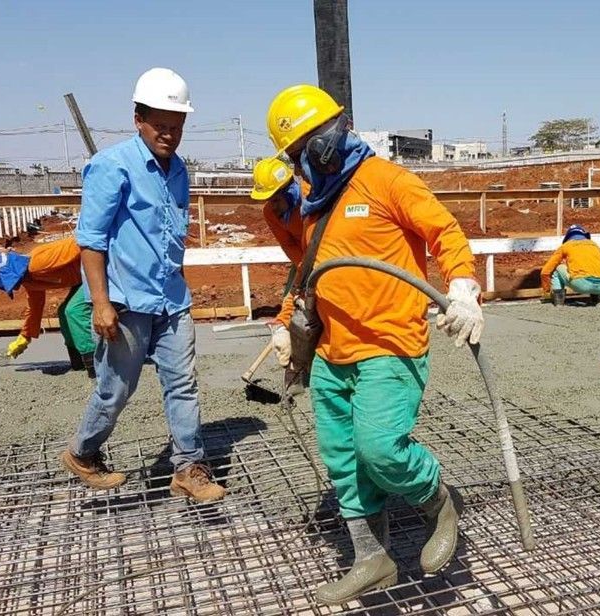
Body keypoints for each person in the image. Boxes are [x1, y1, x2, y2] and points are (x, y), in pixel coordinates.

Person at [266, 84, 484, 604]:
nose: (301, 164)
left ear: (323, 139)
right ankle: (372, 558)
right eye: (294, 157)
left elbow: (445, 232)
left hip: (390, 345)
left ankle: (439, 502)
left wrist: (462, 286)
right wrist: (283, 322)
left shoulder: (386, 180)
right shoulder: (315, 201)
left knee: (381, 449)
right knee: (344, 459)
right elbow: (309, 271)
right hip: (331, 353)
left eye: (301, 151)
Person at [60, 67, 225, 503]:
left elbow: (171, 235)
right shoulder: (111, 166)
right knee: (116, 389)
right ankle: (82, 452)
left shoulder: (179, 170)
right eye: (160, 125)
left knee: (183, 383)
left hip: (171, 300)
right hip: (126, 301)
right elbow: (91, 241)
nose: (169, 135)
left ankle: (188, 468)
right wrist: (100, 303)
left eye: (177, 127)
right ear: (138, 119)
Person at [0, 237, 95, 377]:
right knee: (63, 312)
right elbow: (35, 309)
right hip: (83, 277)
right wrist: (25, 336)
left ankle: (96, 367)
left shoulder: (39, 262)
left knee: (74, 310)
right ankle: (79, 364)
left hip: (97, 269)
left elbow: (83, 242)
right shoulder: (29, 280)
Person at [540, 224, 600, 306]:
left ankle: (558, 302)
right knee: (594, 270)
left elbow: (545, 272)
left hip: (581, 284)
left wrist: (547, 291)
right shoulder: (595, 246)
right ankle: (596, 300)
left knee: (558, 269)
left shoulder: (566, 246)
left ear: (568, 238)